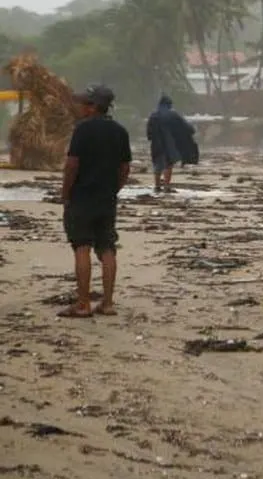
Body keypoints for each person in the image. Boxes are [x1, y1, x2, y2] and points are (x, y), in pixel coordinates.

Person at [58, 84, 132, 318]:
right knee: (107, 248)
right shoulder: (120, 131)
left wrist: (66, 193)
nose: (80, 107)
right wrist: (114, 189)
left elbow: (72, 165)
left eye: (84, 103)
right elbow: (124, 167)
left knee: (82, 246)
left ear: (92, 107)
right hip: (106, 198)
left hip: (82, 196)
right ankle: (107, 303)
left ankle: (83, 303)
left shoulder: (83, 130)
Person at [145, 93, 198, 193]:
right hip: (168, 144)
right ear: (169, 104)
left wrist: (151, 138)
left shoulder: (153, 115)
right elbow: (185, 126)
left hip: (155, 144)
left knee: (157, 164)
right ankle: (166, 186)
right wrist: (191, 131)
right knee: (168, 165)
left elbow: (149, 132)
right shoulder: (173, 114)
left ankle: (157, 186)